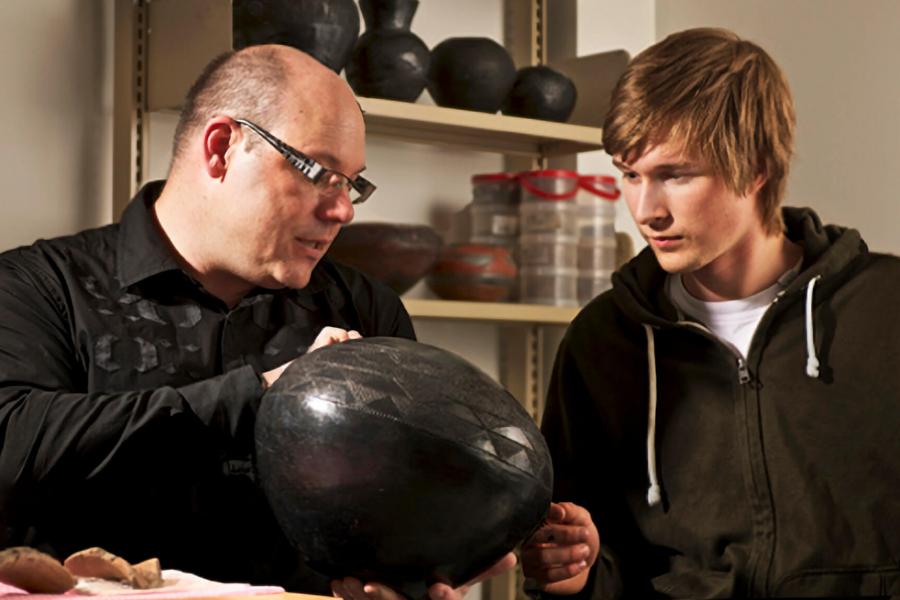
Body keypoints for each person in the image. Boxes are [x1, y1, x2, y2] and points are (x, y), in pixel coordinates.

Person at [0, 44, 511, 598]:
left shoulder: (366, 309)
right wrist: (267, 392)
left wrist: (432, 559)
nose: (342, 210)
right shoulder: (37, 286)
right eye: (319, 172)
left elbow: (395, 500)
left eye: (352, 183)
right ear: (221, 148)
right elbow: (13, 447)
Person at [521, 27, 900, 598]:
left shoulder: (887, 310)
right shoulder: (602, 341)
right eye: (629, 174)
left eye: (675, 175)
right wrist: (575, 574)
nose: (646, 210)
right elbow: (591, 565)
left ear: (756, 169)